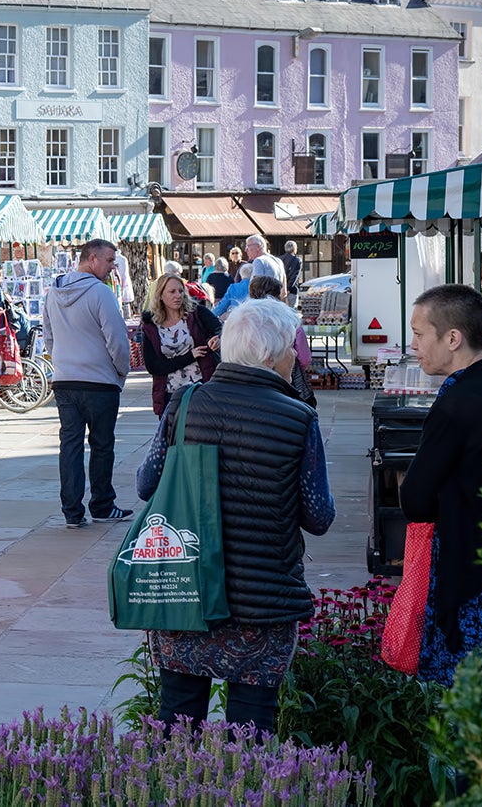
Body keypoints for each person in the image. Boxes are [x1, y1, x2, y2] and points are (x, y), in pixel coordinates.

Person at [137, 298, 334, 734]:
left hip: (187, 594)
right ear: (268, 355)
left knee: (178, 723)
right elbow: (319, 516)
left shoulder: (183, 405)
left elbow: (146, 484)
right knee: (251, 732)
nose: (294, 359)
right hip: (263, 603)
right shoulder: (299, 418)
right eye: (291, 349)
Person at [401, 285, 482, 686]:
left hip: (465, 574)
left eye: (419, 333)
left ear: (452, 338)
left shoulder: (454, 401)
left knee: (462, 699)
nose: (413, 345)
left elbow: (414, 498)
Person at [43, 239, 132, 528]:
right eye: (109, 261)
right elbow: (117, 339)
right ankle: (102, 505)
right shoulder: (100, 293)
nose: (111, 267)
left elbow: (48, 336)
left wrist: (61, 364)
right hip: (98, 381)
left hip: (66, 380)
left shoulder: (53, 292)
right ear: (91, 259)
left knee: (70, 445)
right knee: (102, 445)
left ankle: (72, 511)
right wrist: (121, 372)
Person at [140, 272, 221, 417]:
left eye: (181, 291)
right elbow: (153, 367)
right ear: (160, 295)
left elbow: (220, 330)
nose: (178, 295)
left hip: (201, 388)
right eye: (172, 291)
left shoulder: (197, 313)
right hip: (169, 395)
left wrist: (217, 339)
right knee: (171, 437)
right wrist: (190, 356)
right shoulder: (151, 325)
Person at [248, 276, 315, 407]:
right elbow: (305, 358)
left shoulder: (244, 320)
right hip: (288, 382)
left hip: (253, 382)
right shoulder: (290, 320)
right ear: (277, 295)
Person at [214, 237, 285, 320]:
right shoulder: (278, 261)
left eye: (248, 246)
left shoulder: (259, 261)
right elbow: (284, 292)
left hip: (262, 313)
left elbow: (255, 292)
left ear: (258, 246)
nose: (245, 249)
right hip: (276, 311)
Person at [281, 242, 303, 307]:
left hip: (281, 290)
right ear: (294, 249)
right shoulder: (297, 260)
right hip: (292, 290)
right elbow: (294, 276)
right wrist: (288, 289)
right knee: (292, 311)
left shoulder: (279, 259)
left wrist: (283, 289)